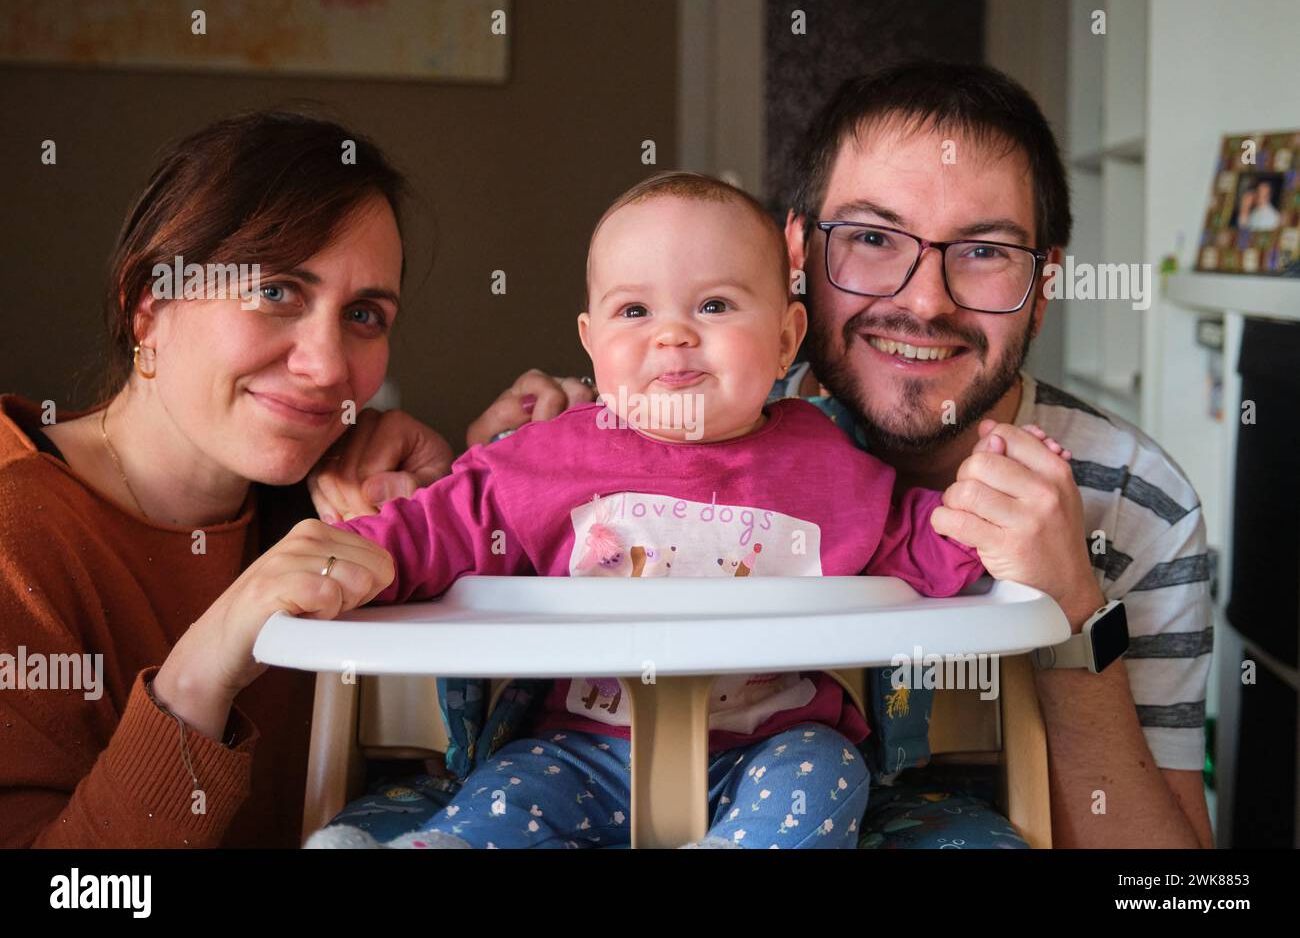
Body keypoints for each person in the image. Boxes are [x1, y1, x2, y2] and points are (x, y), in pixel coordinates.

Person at [478, 62, 1216, 848]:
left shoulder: (1140, 502)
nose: (925, 301)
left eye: (984, 252)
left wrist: (1070, 612)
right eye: (870, 238)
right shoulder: (658, 423)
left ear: (1043, 285)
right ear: (795, 250)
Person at [305, 171, 1070, 850]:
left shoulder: (831, 466)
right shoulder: (547, 456)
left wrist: (984, 510)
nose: (673, 334)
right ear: (592, 343)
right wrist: (346, 559)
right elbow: (441, 526)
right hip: (581, 746)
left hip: (772, 747)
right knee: (506, 796)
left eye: (714, 304)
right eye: (633, 311)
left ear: (784, 338)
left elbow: (919, 553)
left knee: (830, 772)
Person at [0, 110, 456, 847]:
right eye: (276, 292)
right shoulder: (15, 533)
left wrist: (499, 473)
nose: (328, 366)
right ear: (149, 308)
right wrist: (198, 679)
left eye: (364, 314)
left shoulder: (338, 511)